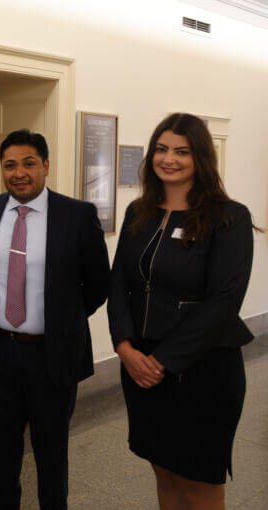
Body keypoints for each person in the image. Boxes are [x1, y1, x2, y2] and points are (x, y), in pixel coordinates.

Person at [108, 113, 255, 510]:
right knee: (165, 477)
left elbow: (224, 303)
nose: (168, 158)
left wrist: (161, 362)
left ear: (200, 158)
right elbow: (119, 284)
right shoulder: (139, 212)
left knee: (199, 486)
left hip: (201, 372)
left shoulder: (228, 217)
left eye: (181, 151)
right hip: (139, 367)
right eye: (161, 149)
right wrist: (124, 348)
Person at [0, 129, 108, 510]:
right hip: (0, 355)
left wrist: (63, 321)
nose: (19, 172)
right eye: (10, 165)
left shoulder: (77, 215)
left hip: (51, 357)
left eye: (29, 163)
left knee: (51, 458)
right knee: (0, 459)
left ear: (46, 166)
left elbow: (98, 285)